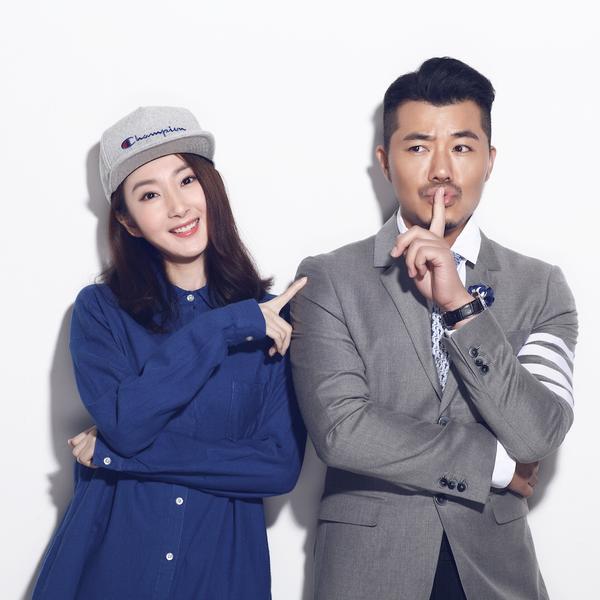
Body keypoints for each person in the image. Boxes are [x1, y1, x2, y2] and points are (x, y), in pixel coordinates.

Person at [291, 57, 577, 600]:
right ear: (385, 161)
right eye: (419, 147)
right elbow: (342, 431)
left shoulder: (540, 287)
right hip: (368, 574)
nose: (442, 170)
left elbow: (539, 434)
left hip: (495, 576)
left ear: (489, 161)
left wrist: (460, 307)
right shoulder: (328, 279)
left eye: (462, 147)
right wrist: (494, 465)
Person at [32, 106, 307, 599]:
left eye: (186, 180)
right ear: (128, 220)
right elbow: (125, 424)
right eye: (150, 194)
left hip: (220, 577)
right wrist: (226, 326)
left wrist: (116, 457)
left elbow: (277, 467)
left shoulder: (274, 320)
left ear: (210, 188)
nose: (178, 207)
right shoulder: (100, 311)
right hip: (109, 571)